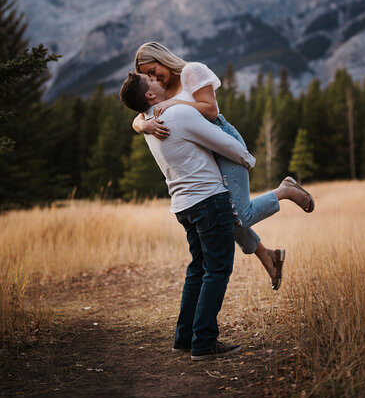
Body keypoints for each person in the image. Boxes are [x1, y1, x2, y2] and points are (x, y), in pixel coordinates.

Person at [132, 42, 315, 289]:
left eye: (154, 71)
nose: (154, 78)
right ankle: (266, 254)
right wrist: (143, 125)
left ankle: (285, 190)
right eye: (148, 76)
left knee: (240, 214)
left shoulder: (191, 71)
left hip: (222, 141)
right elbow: (138, 115)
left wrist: (175, 105)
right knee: (224, 216)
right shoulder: (158, 91)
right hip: (202, 155)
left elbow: (210, 110)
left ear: (163, 59)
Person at [120, 72, 257, 360]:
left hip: (183, 205)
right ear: (149, 94)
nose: (157, 79)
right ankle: (204, 342)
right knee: (217, 270)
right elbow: (222, 142)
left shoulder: (150, 124)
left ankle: (185, 337)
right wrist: (248, 160)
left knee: (198, 269)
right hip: (208, 200)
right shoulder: (178, 113)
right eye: (151, 79)